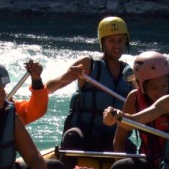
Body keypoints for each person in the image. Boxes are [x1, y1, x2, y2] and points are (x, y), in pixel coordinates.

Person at [46, 16, 135, 157]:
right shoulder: (88, 64)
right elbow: (48, 88)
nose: (117, 45)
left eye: (120, 40)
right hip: (84, 134)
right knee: (72, 137)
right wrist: (69, 75)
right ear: (103, 43)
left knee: (130, 147)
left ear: (126, 41)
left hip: (111, 139)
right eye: (111, 40)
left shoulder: (131, 74)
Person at [109, 51, 169, 169]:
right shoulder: (134, 98)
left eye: (165, 85)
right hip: (149, 160)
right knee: (119, 167)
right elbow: (118, 141)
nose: (161, 93)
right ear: (141, 85)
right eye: (154, 88)